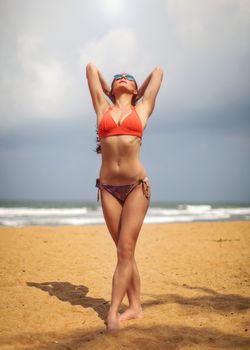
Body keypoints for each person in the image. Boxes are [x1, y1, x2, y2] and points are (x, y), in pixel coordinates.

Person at [86, 63, 164, 332]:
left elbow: (158, 71)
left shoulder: (141, 109)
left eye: (127, 78)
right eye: (117, 77)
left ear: (134, 89)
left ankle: (112, 313)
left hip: (135, 188)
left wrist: (139, 90)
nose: (121, 78)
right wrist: (110, 89)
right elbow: (91, 68)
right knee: (125, 251)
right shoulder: (102, 108)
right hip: (107, 188)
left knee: (124, 250)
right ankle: (136, 306)